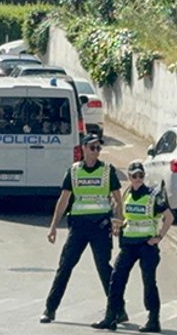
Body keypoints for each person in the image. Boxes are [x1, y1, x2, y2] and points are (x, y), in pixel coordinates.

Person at [40, 133, 124, 324]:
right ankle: (50, 309)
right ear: (84, 149)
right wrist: (53, 226)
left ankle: (118, 309)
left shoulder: (107, 171)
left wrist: (119, 220)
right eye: (92, 147)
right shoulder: (74, 171)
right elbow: (64, 199)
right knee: (65, 266)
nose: (95, 152)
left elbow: (118, 199)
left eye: (98, 148)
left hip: (100, 227)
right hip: (78, 227)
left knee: (104, 268)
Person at [91, 161, 175, 333]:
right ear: (128, 177)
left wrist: (159, 237)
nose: (137, 179)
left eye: (140, 176)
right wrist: (119, 225)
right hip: (128, 245)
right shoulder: (127, 193)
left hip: (146, 245)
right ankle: (111, 317)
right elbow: (125, 216)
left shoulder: (153, 195)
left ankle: (153, 320)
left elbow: (169, 217)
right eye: (134, 176)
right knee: (116, 279)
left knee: (149, 282)